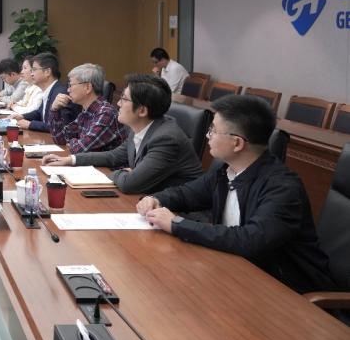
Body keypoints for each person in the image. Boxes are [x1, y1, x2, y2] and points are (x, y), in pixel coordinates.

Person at [137, 95, 334, 294]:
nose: (207, 135)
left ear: (237, 143)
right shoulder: (226, 170)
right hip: (237, 271)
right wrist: (156, 199)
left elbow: (250, 240)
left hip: (286, 288)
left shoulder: (282, 188)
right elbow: (187, 193)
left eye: (213, 130)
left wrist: (178, 224)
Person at [44, 74, 202, 194]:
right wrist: (69, 160)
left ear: (142, 110)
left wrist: (122, 173)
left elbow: (130, 184)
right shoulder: (138, 127)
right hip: (148, 198)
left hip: (177, 211)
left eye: (124, 99)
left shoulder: (166, 139)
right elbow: (113, 156)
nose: (118, 104)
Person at [48, 63, 127, 153]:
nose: (68, 90)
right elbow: (60, 139)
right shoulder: (86, 112)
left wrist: (72, 142)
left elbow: (80, 149)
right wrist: (54, 110)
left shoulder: (105, 113)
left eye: (71, 85)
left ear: (88, 87)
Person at [14, 53, 78, 131]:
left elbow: (60, 127)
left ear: (47, 72)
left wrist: (30, 124)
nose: (31, 74)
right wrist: (22, 116)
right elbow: (40, 113)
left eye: (34, 70)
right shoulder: (49, 89)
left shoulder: (60, 93)